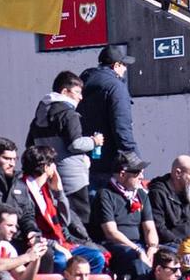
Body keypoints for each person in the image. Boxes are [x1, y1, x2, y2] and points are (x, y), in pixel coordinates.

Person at [27, 71, 102, 216]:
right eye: (77, 92)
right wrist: (94, 141)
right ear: (64, 92)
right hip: (73, 179)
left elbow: (30, 144)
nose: (80, 97)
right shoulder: (69, 114)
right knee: (80, 219)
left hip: (46, 176)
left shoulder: (39, 116)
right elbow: (75, 144)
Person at [79, 44, 140, 178]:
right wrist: (135, 161)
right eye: (124, 65)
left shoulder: (81, 84)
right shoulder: (116, 87)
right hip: (110, 163)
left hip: (83, 160)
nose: (125, 69)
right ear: (116, 65)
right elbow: (122, 128)